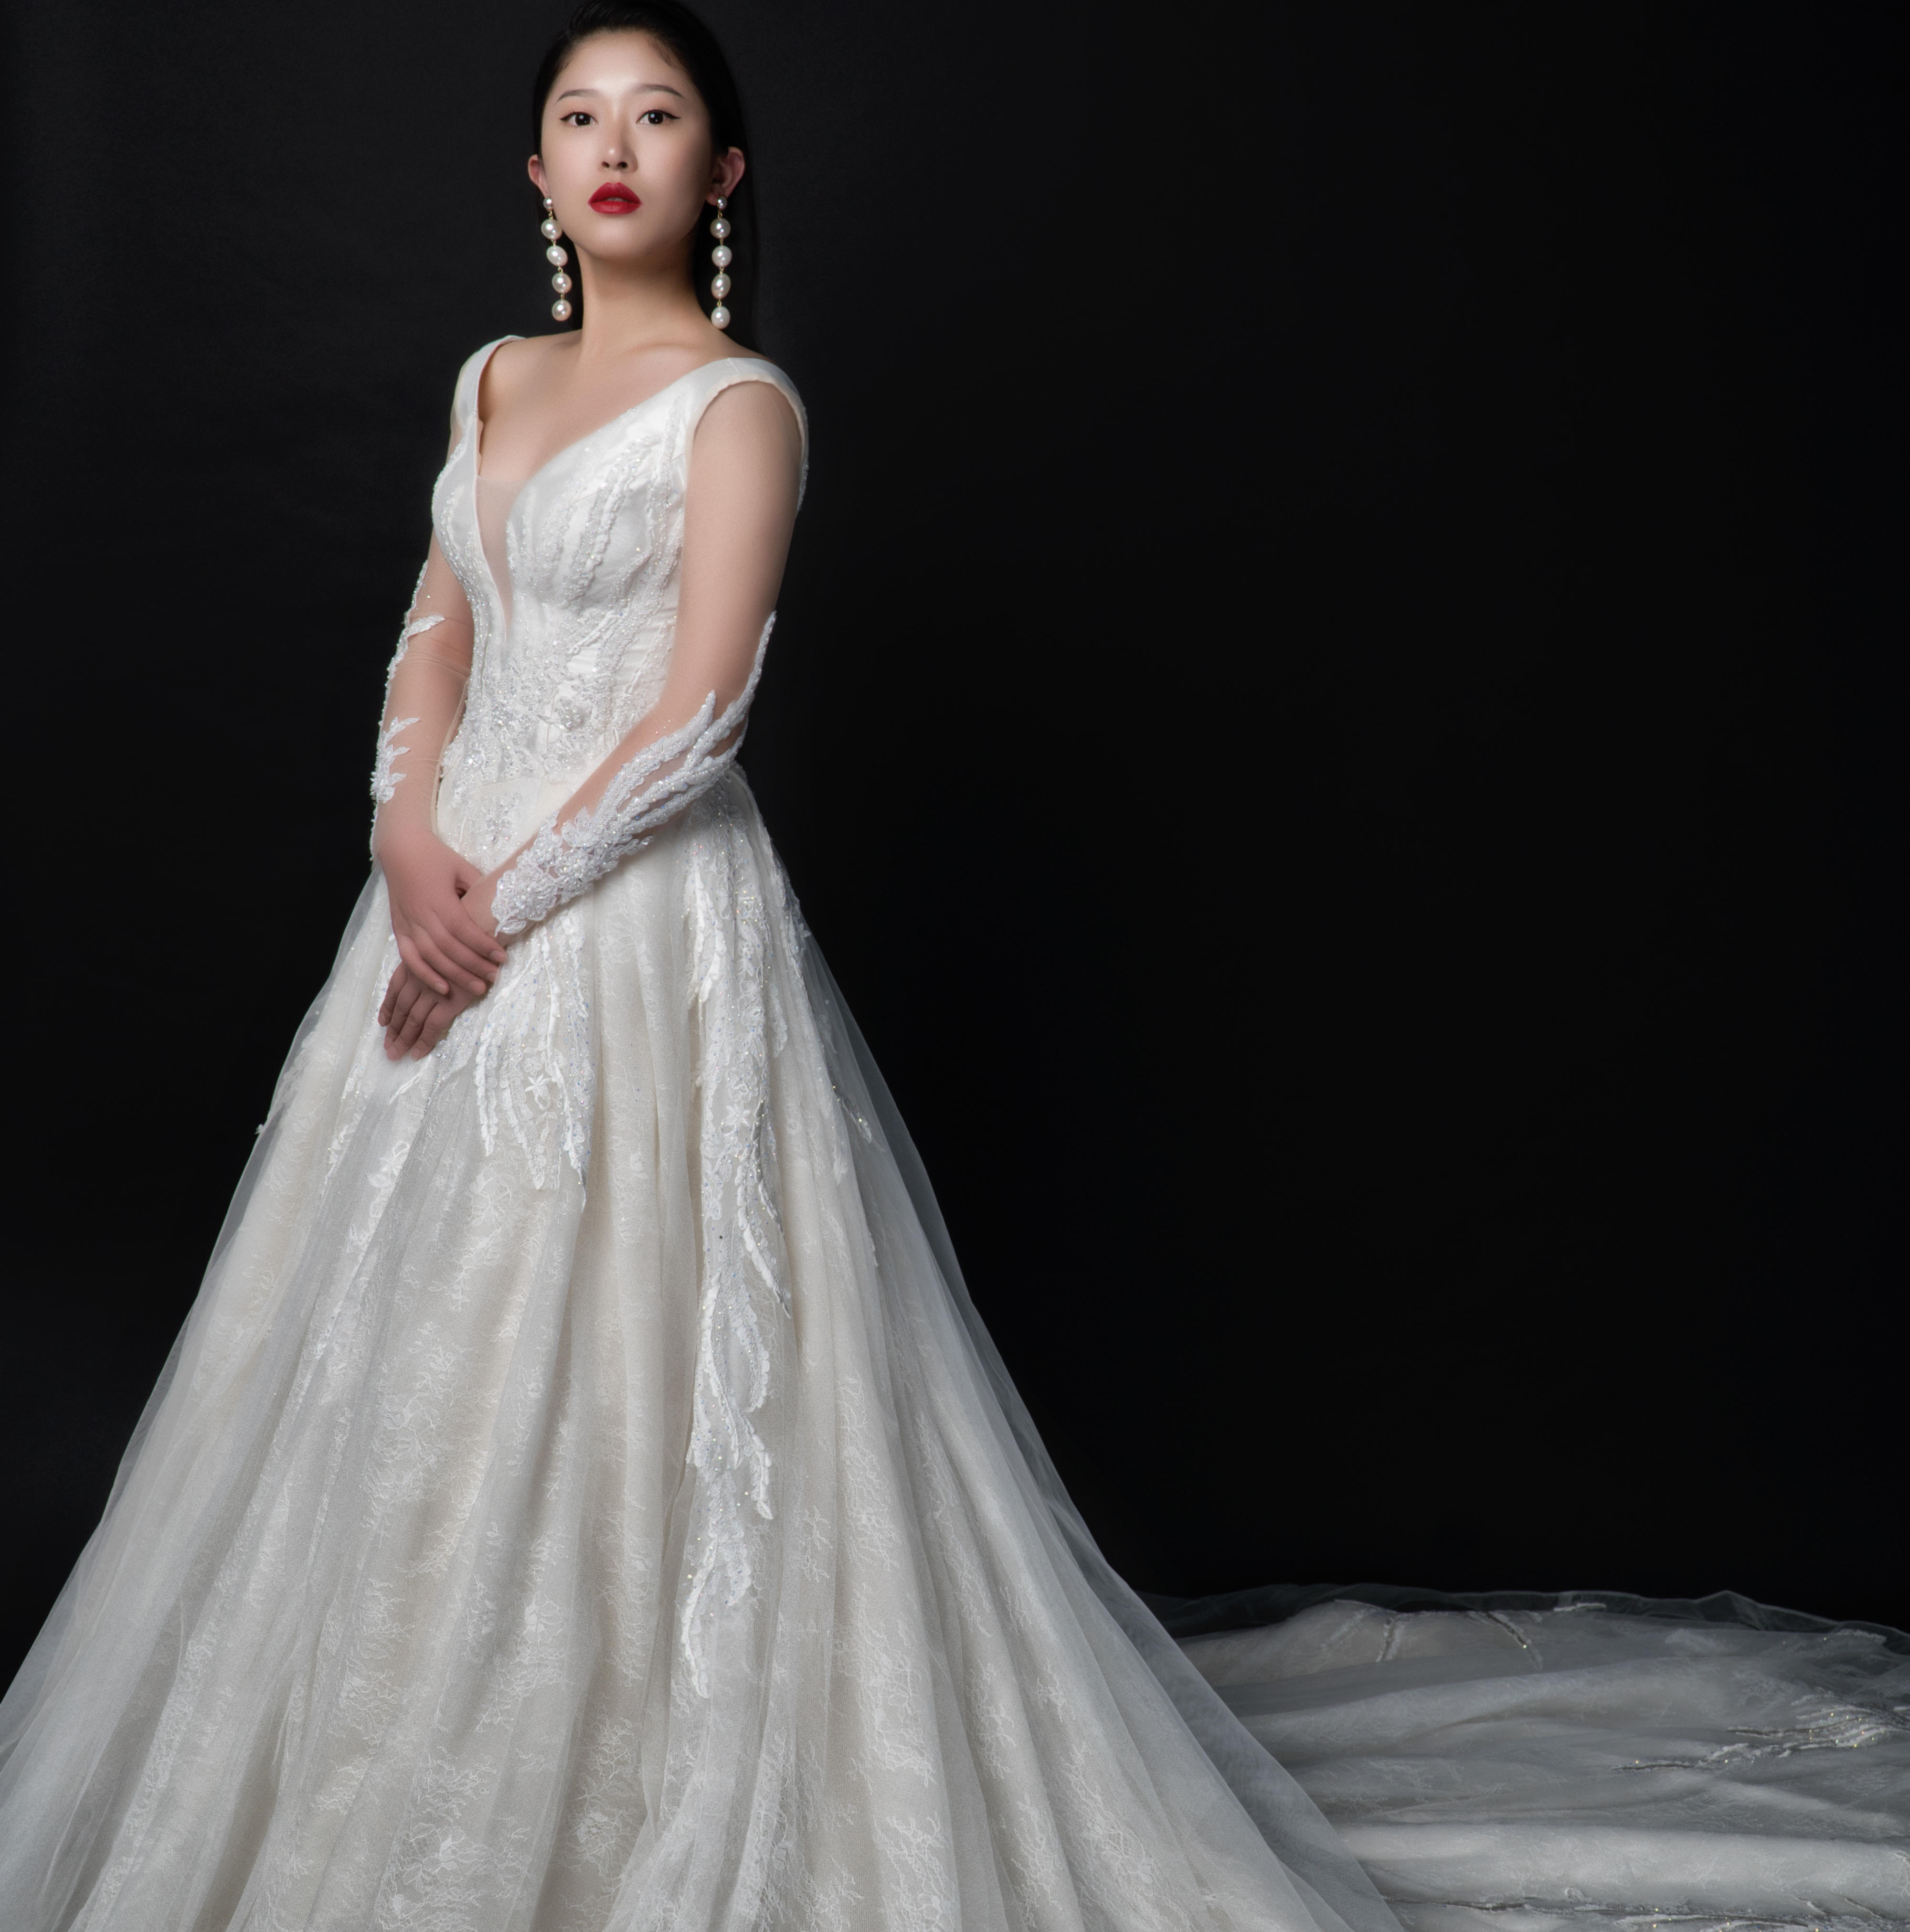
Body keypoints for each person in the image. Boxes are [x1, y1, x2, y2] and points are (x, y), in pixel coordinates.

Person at [8, 7, 1909, 1930]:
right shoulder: (488, 379)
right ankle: (414, 1728)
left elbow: (700, 713)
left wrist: (498, 906)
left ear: (720, 171)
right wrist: (403, 841)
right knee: (395, 1346)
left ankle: (634, 1740)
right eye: (579, 116)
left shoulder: (739, 406)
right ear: (535, 171)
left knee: (627, 1331)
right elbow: (436, 628)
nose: (615, 146)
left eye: (657, 115)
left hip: (622, 928)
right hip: (434, 911)